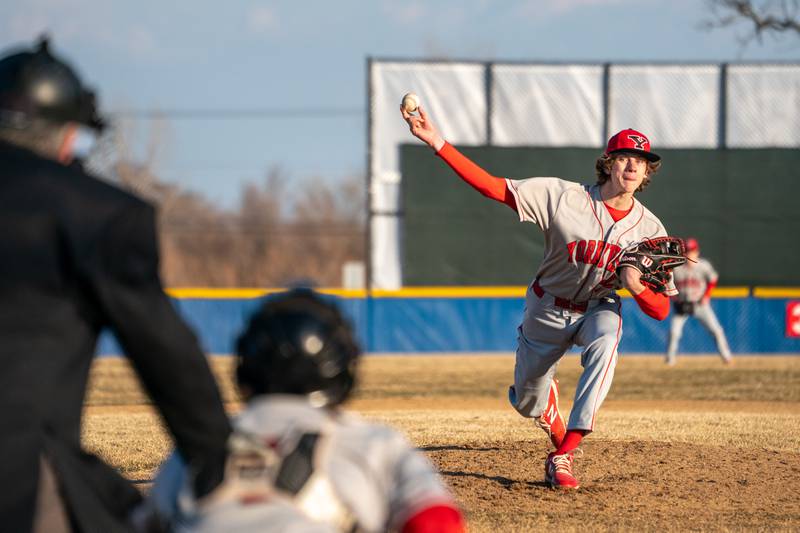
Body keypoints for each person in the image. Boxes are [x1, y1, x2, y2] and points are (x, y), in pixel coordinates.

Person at [0, 37, 231, 532]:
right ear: (68, 136)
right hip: (17, 479)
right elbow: (165, 355)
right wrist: (216, 462)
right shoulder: (94, 212)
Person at [401, 103, 677, 490]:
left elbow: (662, 310)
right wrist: (437, 142)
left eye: (641, 161)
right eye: (625, 157)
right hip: (547, 307)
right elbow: (492, 187)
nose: (633, 166)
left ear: (648, 172)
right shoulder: (563, 197)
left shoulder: (650, 229)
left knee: (607, 338)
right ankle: (546, 407)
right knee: (526, 400)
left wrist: (635, 285)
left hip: (598, 307)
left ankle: (563, 454)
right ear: (608, 162)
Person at [146, 288, 466, 533]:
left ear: (245, 368)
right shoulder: (372, 442)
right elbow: (436, 521)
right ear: (343, 369)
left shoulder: (192, 451)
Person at [666, 238, 733, 365]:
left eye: (692, 251)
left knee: (716, 330)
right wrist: (674, 298)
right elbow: (667, 282)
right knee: (674, 332)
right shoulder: (677, 267)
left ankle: (726, 356)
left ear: (697, 252)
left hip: (700, 304)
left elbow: (713, 279)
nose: (689, 254)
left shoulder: (703, 266)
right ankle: (670, 360)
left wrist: (706, 295)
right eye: (687, 251)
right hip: (682, 304)